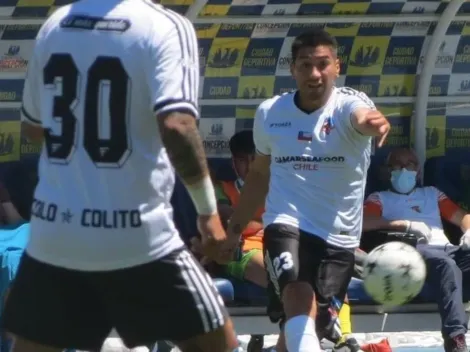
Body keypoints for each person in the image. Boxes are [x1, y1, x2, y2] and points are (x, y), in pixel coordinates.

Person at [2, 1, 238, 351]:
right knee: (218, 344)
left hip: (58, 231)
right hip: (137, 236)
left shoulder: (56, 23)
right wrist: (208, 213)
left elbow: (32, 128)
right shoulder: (166, 26)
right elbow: (177, 125)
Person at [224, 28, 391, 352]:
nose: (314, 74)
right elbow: (258, 176)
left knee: (302, 325)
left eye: (322, 64)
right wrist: (234, 232)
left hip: (338, 237)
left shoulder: (349, 105)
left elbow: (361, 118)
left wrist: (375, 123)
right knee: (299, 296)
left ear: (337, 67)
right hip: (286, 224)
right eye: (305, 65)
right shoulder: (271, 113)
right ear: (292, 69)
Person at [363, 147, 470, 352]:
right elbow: (365, 222)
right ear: (388, 170)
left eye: (410, 164)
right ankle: (456, 339)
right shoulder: (379, 198)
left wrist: (468, 231)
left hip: (449, 248)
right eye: (398, 165)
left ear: (418, 170)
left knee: (450, 261)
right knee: (446, 265)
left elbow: (462, 216)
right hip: (415, 251)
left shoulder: (431, 193)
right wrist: (403, 224)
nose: (404, 170)